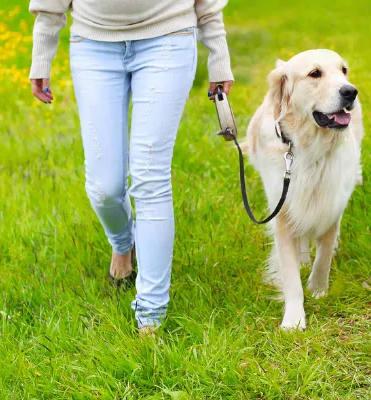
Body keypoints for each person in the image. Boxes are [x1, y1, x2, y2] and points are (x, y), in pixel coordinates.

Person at [28, 0, 234, 335]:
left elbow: (208, 5)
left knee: (150, 178)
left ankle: (150, 315)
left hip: (168, 36)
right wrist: (42, 56)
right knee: (103, 186)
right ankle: (124, 243)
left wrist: (218, 56)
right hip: (93, 45)